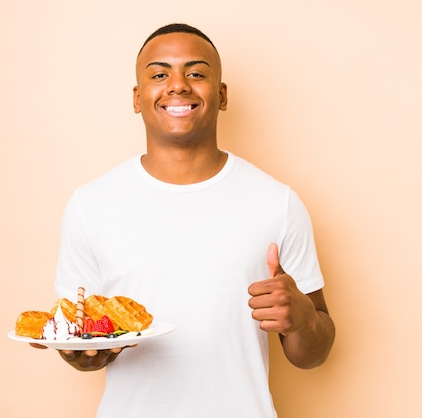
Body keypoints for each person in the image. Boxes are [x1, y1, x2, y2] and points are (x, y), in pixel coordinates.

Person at [45, 23, 335, 418]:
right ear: (137, 97)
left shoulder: (277, 202)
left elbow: (313, 355)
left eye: (196, 73)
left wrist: (301, 321)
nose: (178, 85)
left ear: (222, 94)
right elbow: (79, 338)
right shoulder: (89, 204)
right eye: (159, 74)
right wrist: (85, 356)